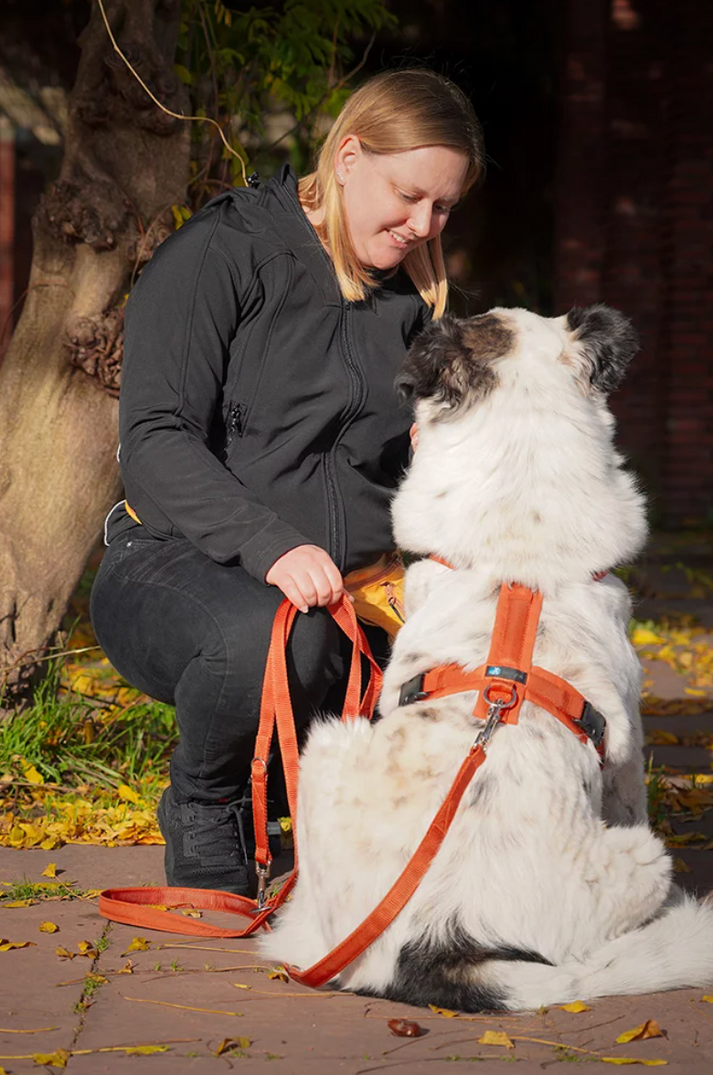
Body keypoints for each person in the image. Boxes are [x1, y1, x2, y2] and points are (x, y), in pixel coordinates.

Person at [90, 68, 485, 895]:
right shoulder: (223, 253)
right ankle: (209, 802)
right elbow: (155, 439)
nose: (422, 225)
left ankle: (322, 811)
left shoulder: (414, 298)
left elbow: (414, 464)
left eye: (443, 207)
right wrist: (272, 544)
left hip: (353, 584)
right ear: (348, 156)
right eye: (410, 196)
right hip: (174, 560)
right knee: (277, 634)